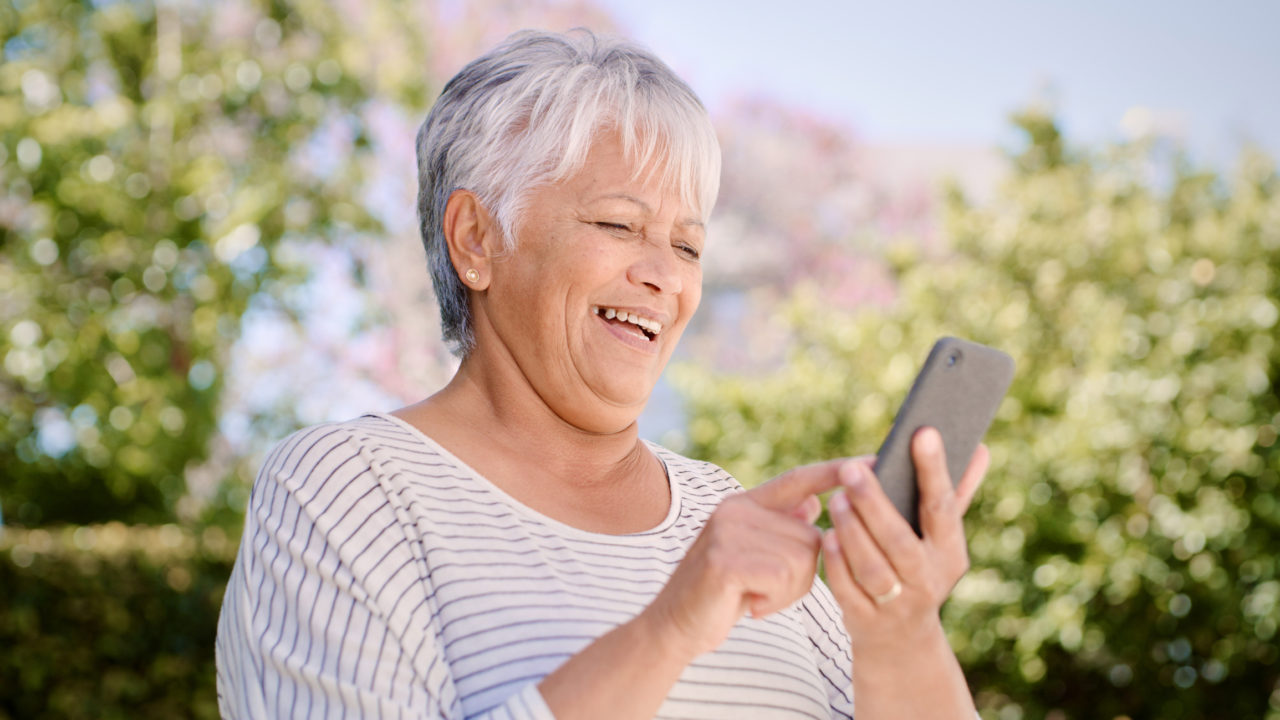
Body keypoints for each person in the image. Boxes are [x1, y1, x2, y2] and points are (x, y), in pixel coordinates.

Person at [215, 29, 990, 719]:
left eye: (687, 246)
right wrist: (669, 629)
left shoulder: (730, 517)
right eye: (619, 225)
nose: (664, 276)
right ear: (476, 240)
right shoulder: (347, 490)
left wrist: (900, 632)